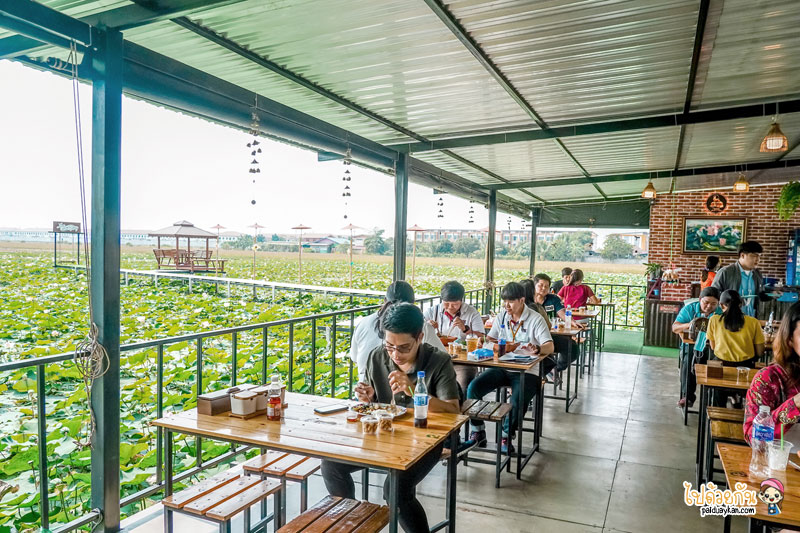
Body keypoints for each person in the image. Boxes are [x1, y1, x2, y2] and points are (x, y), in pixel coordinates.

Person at [322, 303, 460, 533]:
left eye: (404, 348)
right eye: (389, 346)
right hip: (383, 436)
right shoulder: (377, 357)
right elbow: (373, 403)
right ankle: (351, 525)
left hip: (426, 441)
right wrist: (367, 396)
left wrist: (415, 391)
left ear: (420, 338)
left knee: (395, 489)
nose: (396, 354)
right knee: (331, 465)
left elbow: (453, 410)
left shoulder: (438, 361)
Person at [467, 282, 554, 454]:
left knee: (517, 400)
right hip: (502, 367)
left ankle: (506, 435)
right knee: (473, 388)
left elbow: (550, 346)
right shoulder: (502, 317)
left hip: (527, 371)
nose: (506, 305)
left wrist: (537, 349)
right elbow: (491, 338)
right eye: (504, 301)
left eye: (511, 301)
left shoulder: (535, 319)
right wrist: (484, 342)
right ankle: (478, 431)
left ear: (522, 300)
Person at [349, 281, 444, 381]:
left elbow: (354, 357)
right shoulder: (421, 326)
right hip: (399, 386)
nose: (395, 354)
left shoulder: (363, 322)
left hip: (364, 386)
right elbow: (443, 358)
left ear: (385, 300)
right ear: (413, 303)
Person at [744, 301, 800, 445]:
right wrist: (794, 405)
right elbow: (753, 437)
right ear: (789, 339)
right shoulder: (769, 379)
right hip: (783, 458)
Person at [424, 280, 486, 391]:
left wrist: (465, 329)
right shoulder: (433, 311)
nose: (450, 307)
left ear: (461, 300)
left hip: (463, 362)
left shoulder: (471, 312)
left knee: (462, 384)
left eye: (455, 304)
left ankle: (459, 401)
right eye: (446, 303)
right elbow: (419, 331)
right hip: (437, 360)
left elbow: (482, 337)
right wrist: (427, 325)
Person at [707, 290, 765, 407]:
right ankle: (739, 404)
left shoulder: (714, 320)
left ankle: (718, 412)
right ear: (741, 304)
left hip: (721, 368)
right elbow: (760, 351)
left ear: (721, 305)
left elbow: (713, 347)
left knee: (718, 390)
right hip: (746, 369)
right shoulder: (753, 322)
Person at [672, 287, 721, 408]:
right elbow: (675, 328)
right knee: (689, 361)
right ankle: (688, 396)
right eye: (706, 302)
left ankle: (712, 399)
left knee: (717, 364)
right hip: (691, 346)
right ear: (700, 299)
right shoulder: (690, 309)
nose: (709, 306)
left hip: (712, 347)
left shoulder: (720, 312)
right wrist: (689, 324)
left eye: (713, 304)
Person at [531, 273, 579, 373]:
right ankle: (541, 371)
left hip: (549, 335)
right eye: (540, 285)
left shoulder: (553, 299)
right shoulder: (528, 301)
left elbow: (562, 313)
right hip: (531, 337)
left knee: (571, 346)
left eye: (546, 286)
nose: (543, 288)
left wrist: (573, 322)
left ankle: (555, 369)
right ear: (534, 286)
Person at [711, 241, 768, 317]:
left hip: (751, 318)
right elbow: (713, 295)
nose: (758, 259)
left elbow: (760, 295)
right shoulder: (725, 272)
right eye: (754, 256)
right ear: (742, 255)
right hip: (730, 318)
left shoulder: (757, 274)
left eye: (759, 256)